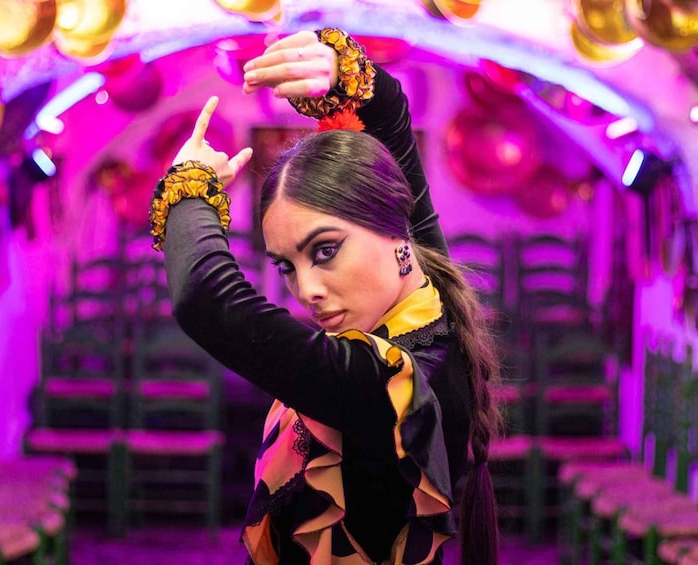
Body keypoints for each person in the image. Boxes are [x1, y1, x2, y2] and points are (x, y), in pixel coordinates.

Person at [149, 28, 502, 565]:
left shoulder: (387, 380)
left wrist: (191, 185)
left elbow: (203, 297)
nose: (307, 291)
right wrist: (342, 74)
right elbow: (391, 115)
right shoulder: (429, 298)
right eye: (286, 266)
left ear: (396, 232)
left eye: (326, 250)